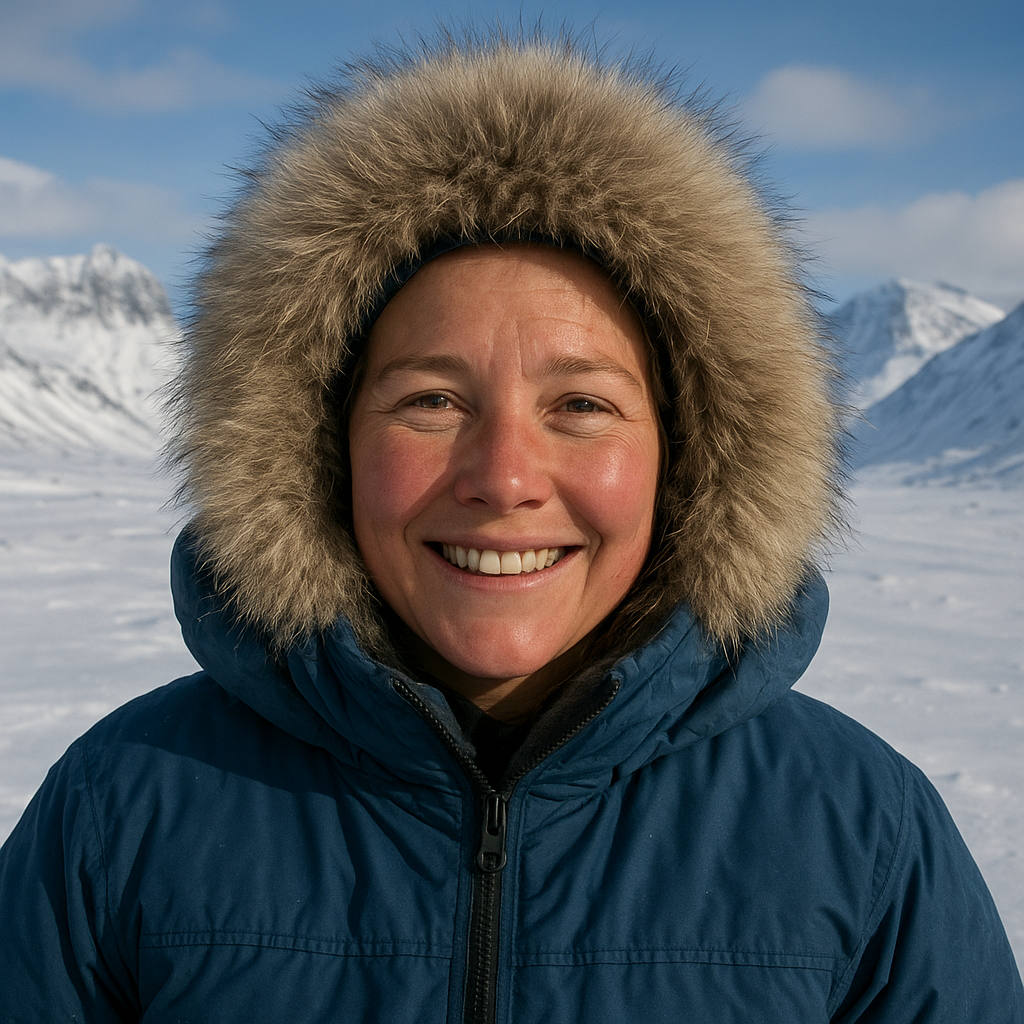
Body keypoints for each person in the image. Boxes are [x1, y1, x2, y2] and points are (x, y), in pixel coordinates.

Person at [1, 30, 1021, 1023]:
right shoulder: (121, 807)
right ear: (319, 449)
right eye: (430, 401)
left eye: (580, 405)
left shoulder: (861, 828)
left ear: (690, 458)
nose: (504, 478)